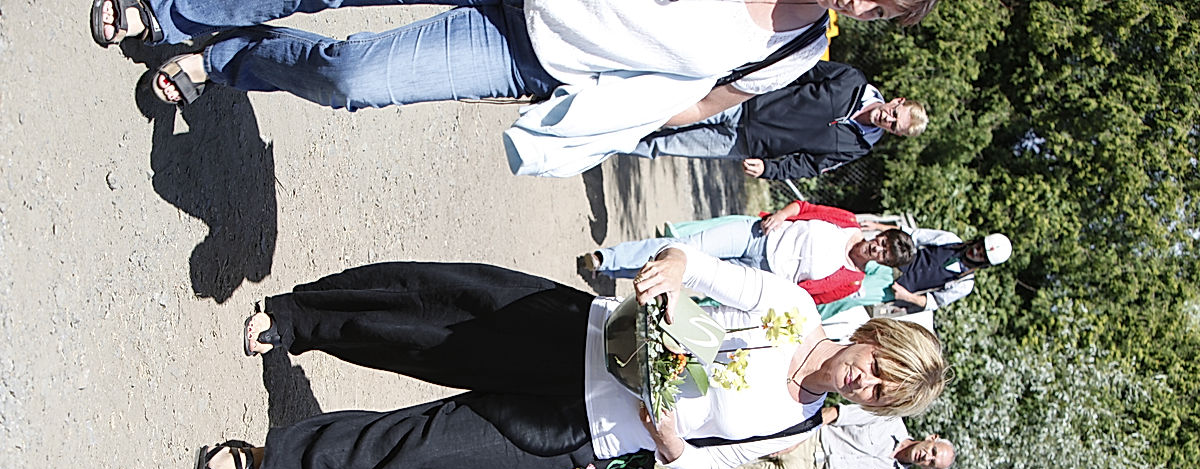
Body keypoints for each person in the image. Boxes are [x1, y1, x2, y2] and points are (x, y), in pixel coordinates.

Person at [187, 247, 948, 469]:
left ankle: (257, 463)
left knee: (419, 449)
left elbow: (702, 468)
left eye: (882, 393)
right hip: (577, 335)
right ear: (874, 337)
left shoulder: (798, 428)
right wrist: (672, 273)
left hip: (580, 429)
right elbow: (703, 269)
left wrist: (673, 443)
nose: (869, 379)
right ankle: (297, 318)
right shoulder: (794, 310)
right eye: (881, 365)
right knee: (430, 314)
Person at [87, 0, 935, 175]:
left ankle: (229, 57)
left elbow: (704, 105)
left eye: (880, 9)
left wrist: (599, 123)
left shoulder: (794, 54)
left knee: (355, 78)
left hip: (530, 52)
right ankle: (174, 12)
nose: (862, 3)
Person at [629, 61, 928, 182]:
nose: (886, 119)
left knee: (664, 146)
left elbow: (810, 165)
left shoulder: (859, 146)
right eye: (893, 114)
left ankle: (608, 146)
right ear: (897, 101)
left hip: (745, 143)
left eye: (892, 126)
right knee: (666, 112)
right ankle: (610, 119)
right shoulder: (851, 80)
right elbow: (799, 70)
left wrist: (769, 169)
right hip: (742, 101)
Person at [645, 403, 956, 469]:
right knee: (721, 442)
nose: (925, 457)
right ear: (931, 438)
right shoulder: (889, 419)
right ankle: (649, 443)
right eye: (931, 451)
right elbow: (837, 413)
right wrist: (799, 434)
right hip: (809, 437)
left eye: (931, 463)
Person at [581, 199, 916, 291]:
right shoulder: (848, 223)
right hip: (760, 233)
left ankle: (624, 271)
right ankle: (605, 259)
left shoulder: (851, 281)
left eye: (884, 254)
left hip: (762, 273)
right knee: (682, 246)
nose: (878, 248)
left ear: (883, 264)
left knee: (688, 272)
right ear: (881, 234)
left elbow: (808, 296)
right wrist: (783, 215)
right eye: (883, 242)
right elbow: (806, 208)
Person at [861, 223, 1013, 313]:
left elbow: (934, 302)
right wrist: (877, 226)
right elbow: (911, 235)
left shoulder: (965, 284)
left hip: (894, 292)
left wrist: (906, 296)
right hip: (885, 265)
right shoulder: (950, 240)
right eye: (979, 247)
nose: (975, 251)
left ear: (984, 263)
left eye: (981, 255)